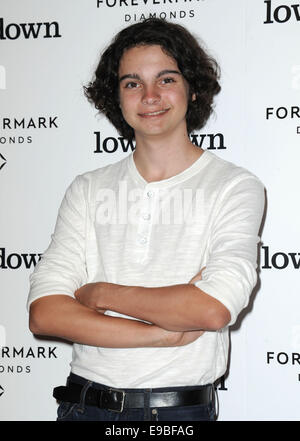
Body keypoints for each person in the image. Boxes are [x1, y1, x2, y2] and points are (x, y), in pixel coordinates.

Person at [27, 18, 265, 421]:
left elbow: (211, 309)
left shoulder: (234, 186)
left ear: (192, 89)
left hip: (176, 413)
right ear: (116, 98)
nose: (150, 95)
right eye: (132, 83)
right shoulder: (87, 188)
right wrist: (162, 334)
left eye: (166, 79)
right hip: (83, 407)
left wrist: (101, 293)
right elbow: (45, 313)